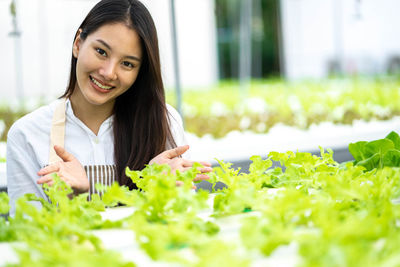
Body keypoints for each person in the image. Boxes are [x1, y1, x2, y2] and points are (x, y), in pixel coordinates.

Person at [6, 0, 212, 216]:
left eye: (127, 64)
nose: (109, 72)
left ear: (139, 72)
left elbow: (183, 223)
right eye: (101, 51)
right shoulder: (27, 134)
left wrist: (157, 188)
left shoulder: (163, 121)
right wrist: (73, 199)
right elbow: (26, 234)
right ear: (78, 43)